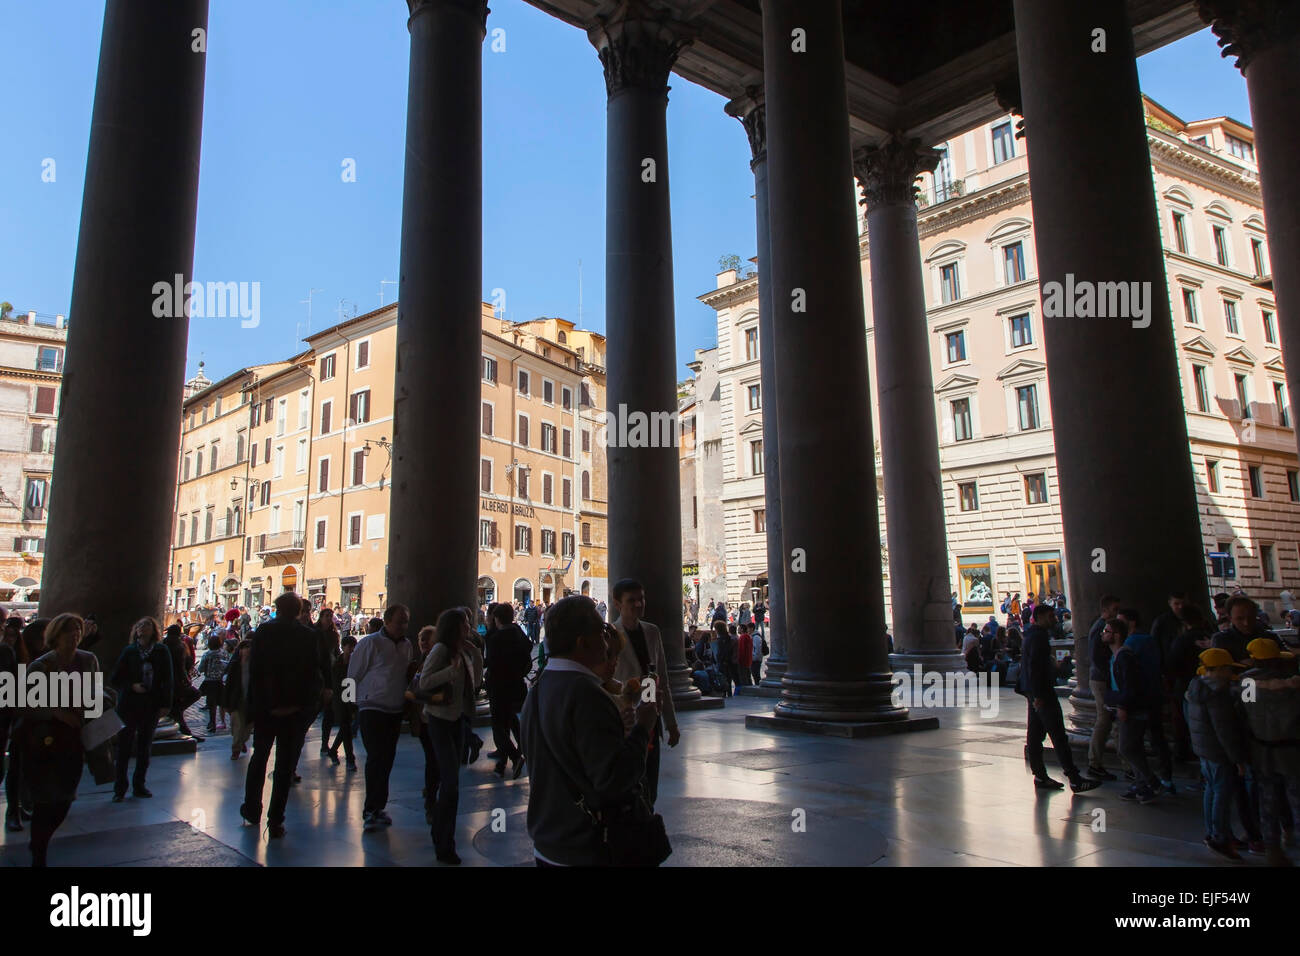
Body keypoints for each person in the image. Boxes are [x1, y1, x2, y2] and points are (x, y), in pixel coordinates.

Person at [520, 596, 659, 867]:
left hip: (549, 841)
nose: (607, 643)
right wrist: (644, 726)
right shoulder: (588, 694)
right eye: (601, 633)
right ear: (582, 642)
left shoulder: (538, 688)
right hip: (586, 844)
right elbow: (614, 780)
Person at [19, 614, 102, 866]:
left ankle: (40, 839)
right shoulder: (41, 666)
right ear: (56, 635)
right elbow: (26, 706)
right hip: (44, 741)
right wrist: (57, 713)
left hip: (73, 739)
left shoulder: (88, 660)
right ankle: (39, 851)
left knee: (65, 797)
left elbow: (96, 696)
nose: (75, 635)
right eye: (69, 631)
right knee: (45, 799)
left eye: (78, 630)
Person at [240, 592, 322, 838]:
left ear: (276, 608)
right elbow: (312, 673)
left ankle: (252, 809)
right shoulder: (308, 636)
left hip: (267, 708)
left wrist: (257, 705)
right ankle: (276, 819)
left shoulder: (264, 631)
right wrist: (304, 705)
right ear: (298, 611)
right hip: (294, 710)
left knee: (259, 759)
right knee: (285, 765)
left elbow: (256, 671)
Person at [610, 578, 679, 810]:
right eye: (632, 600)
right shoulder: (610, 633)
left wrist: (670, 722)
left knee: (651, 782)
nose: (639, 604)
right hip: (627, 720)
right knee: (631, 783)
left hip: (651, 717)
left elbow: (662, 679)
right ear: (617, 604)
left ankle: (647, 822)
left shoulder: (652, 631)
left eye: (641, 599)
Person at [1017, 604, 1100, 793]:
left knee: (1035, 734)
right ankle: (1074, 778)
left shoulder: (1030, 634)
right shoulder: (1039, 637)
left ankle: (1040, 775)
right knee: (1058, 735)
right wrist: (1039, 694)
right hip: (1042, 693)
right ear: (1039, 617)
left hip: (1034, 691)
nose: (1054, 618)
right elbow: (1035, 667)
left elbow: (1032, 666)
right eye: (1050, 616)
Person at [348, 603, 415, 831]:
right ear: (386, 621)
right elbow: (353, 674)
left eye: (406, 621)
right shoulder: (370, 643)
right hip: (371, 707)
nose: (403, 626)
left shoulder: (407, 645)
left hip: (394, 710)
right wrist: (349, 706)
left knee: (387, 759)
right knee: (376, 757)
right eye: (399, 621)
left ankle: (378, 807)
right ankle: (370, 809)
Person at [418, 608, 475, 864]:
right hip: (440, 720)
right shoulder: (441, 649)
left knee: (452, 783)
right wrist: (450, 673)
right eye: (464, 624)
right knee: (450, 784)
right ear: (454, 627)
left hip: (456, 720)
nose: (469, 626)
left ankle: (440, 833)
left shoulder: (462, 650)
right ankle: (444, 843)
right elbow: (425, 681)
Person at [1237, 638, 1300, 866]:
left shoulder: (1248, 683)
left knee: (1268, 802)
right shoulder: (1293, 684)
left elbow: (1244, 713)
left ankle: (1273, 850)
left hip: (1261, 751)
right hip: (1292, 750)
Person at [1185, 647, 1249, 860]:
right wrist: (1238, 759)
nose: (1230, 674)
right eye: (1228, 669)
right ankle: (1220, 837)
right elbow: (1225, 731)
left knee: (1211, 790)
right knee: (1222, 793)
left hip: (1204, 749)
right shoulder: (1217, 695)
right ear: (1219, 669)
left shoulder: (1197, 687)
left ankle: (1213, 832)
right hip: (1218, 751)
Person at [110, 617, 173, 801]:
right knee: (124, 747)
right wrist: (131, 686)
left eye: (145, 626)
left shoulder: (161, 651)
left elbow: (168, 679)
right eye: (138, 626)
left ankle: (139, 784)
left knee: (145, 747)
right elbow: (116, 677)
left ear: (153, 630)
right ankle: (119, 788)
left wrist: (165, 704)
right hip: (128, 704)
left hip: (151, 704)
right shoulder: (129, 651)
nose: (141, 629)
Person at [485, 602, 532, 779]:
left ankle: (514, 756)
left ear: (496, 618)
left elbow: (492, 663)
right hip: (517, 686)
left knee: (499, 726)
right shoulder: (518, 633)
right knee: (511, 720)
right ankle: (511, 756)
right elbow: (528, 652)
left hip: (499, 687)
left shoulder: (496, 639)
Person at [1085, 595, 1122, 780]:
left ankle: (1100, 762)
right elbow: (1096, 657)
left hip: (1102, 678)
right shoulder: (1101, 628)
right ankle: (1094, 763)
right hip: (1101, 680)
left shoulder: (1101, 626)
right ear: (1105, 610)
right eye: (1115, 609)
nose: (1117, 613)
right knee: (1104, 719)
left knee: (1108, 720)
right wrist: (1110, 678)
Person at [162, 623, 202, 741]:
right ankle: (183, 727)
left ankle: (185, 729)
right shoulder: (179, 646)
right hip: (178, 681)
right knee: (195, 694)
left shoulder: (164, 644)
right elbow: (180, 666)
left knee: (177, 709)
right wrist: (186, 679)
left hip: (167, 681)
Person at [326, 634, 359, 770]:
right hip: (340, 699)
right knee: (346, 728)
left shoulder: (352, 663)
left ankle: (333, 750)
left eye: (353, 647)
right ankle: (350, 759)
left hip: (349, 699)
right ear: (343, 647)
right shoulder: (337, 665)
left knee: (345, 728)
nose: (351, 650)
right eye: (349, 646)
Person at [314, 607, 341, 757]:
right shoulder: (315, 633)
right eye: (326, 616)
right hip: (319, 675)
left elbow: (336, 651)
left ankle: (325, 743)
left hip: (331, 675)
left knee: (329, 712)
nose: (329, 618)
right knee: (314, 709)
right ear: (321, 617)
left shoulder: (333, 634)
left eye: (331, 616)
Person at [224, 639, 253, 760]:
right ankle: (236, 749)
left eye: (249, 648)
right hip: (237, 699)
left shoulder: (255, 666)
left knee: (248, 727)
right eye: (245, 648)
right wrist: (225, 702)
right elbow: (229, 684)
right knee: (237, 725)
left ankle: (241, 742)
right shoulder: (235, 665)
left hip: (251, 700)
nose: (247, 651)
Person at [196, 633, 229, 733]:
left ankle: (212, 722)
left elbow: (201, 668)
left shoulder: (207, 654)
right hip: (221, 681)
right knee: (222, 702)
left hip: (210, 681)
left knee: (212, 703)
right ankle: (225, 721)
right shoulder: (224, 653)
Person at [735, 623, 754, 688]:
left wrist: (739, 660)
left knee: (744, 678)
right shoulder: (748, 636)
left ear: (742, 629)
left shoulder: (743, 637)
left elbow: (741, 650)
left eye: (739, 628)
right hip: (748, 661)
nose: (738, 629)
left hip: (743, 661)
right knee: (747, 677)